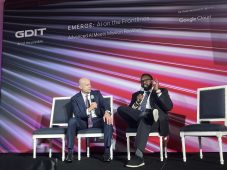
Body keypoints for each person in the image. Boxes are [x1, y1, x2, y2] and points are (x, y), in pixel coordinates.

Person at [117, 73, 173, 168]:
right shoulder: (136, 95)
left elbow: (169, 106)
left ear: (152, 81)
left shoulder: (161, 91)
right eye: (142, 81)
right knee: (121, 109)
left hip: (154, 122)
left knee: (146, 117)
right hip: (137, 119)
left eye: (146, 80)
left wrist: (158, 91)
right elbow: (130, 112)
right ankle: (147, 114)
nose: (144, 82)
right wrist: (137, 102)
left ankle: (139, 157)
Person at [65, 78, 113, 163]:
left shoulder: (97, 94)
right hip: (83, 122)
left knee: (107, 119)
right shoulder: (75, 99)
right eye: (87, 85)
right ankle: (70, 152)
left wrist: (107, 112)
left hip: (97, 120)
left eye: (90, 84)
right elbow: (78, 114)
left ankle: (107, 151)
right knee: (72, 121)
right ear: (80, 87)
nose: (90, 86)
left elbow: (105, 105)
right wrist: (90, 108)